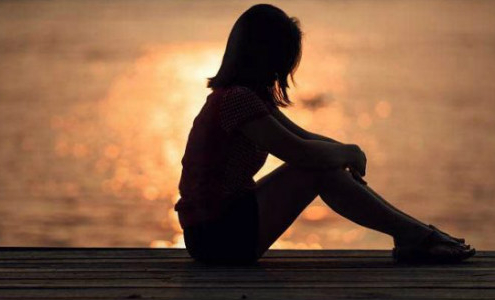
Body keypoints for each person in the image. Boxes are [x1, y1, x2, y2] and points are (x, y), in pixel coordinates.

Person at [174, 4, 475, 265]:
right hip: (217, 238)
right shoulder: (237, 100)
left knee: (321, 166)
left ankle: (415, 233)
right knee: (313, 171)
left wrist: (343, 152)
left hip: (217, 230)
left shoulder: (245, 97)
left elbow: (304, 137)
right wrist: (348, 153)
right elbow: (301, 153)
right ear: (265, 55)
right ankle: (416, 236)